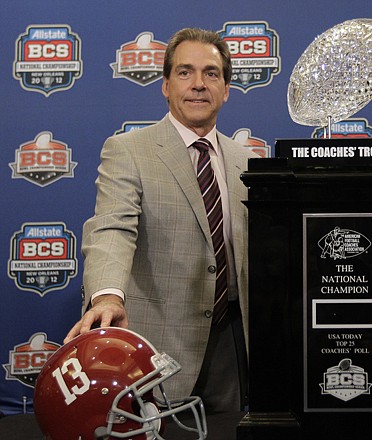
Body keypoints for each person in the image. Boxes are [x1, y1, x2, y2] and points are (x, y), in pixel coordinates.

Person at [65, 27, 258, 414]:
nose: (199, 84)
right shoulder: (128, 150)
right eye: (185, 72)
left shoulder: (247, 160)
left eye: (212, 74)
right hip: (156, 346)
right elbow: (111, 228)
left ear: (226, 90)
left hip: (233, 346)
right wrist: (106, 295)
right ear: (166, 86)